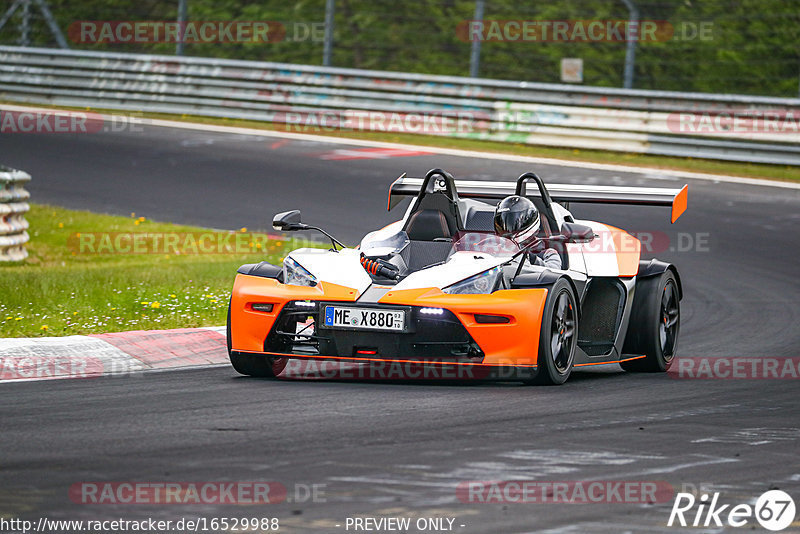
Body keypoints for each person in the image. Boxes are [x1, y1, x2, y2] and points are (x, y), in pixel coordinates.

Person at [494, 195, 562, 270]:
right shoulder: (497, 248)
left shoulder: (548, 253)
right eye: (502, 222)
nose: (506, 229)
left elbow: (554, 271)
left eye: (511, 222)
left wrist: (532, 259)